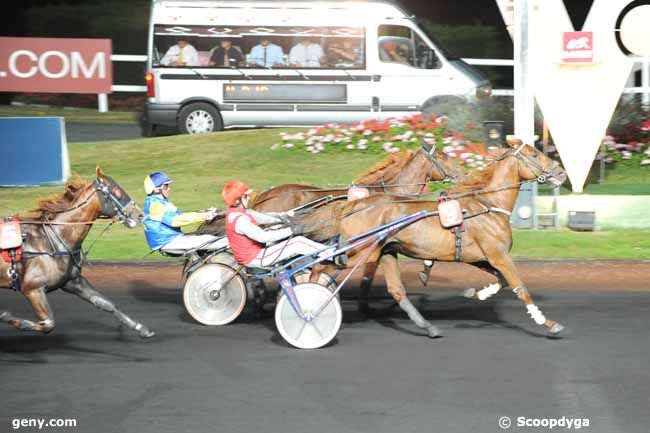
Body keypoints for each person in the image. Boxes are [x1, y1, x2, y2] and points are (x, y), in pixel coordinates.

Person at [222, 180, 339, 268]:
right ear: (239, 199)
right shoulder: (240, 220)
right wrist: (293, 230)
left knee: (278, 229)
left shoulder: (238, 211)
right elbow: (263, 237)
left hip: (255, 251)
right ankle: (333, 254)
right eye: (246, 196)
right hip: (255, 257)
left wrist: (285, 216)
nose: (249, 198)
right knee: (297, 242)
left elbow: (265, 218)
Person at [143, 172, 221, 254]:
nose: (169, 189)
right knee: (215, 241)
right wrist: (203, 216)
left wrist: (203, 213)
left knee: (209, 238)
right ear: (156, 190)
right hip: (168, 242)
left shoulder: (161, 202)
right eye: (165, 186)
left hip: (172, 238)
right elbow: (175, 221)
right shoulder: (155, 205)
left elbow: (181, 215)